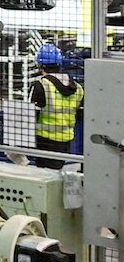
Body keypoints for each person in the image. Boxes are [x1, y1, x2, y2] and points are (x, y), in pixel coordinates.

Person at [29, 42, 83, 170]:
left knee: (44, 176)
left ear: (40, 65)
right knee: (56, 171)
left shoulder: (41, 85)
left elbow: (29, 115)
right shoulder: (78, 88)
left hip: (44, 140)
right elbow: (80, 115)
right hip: (66, 139)